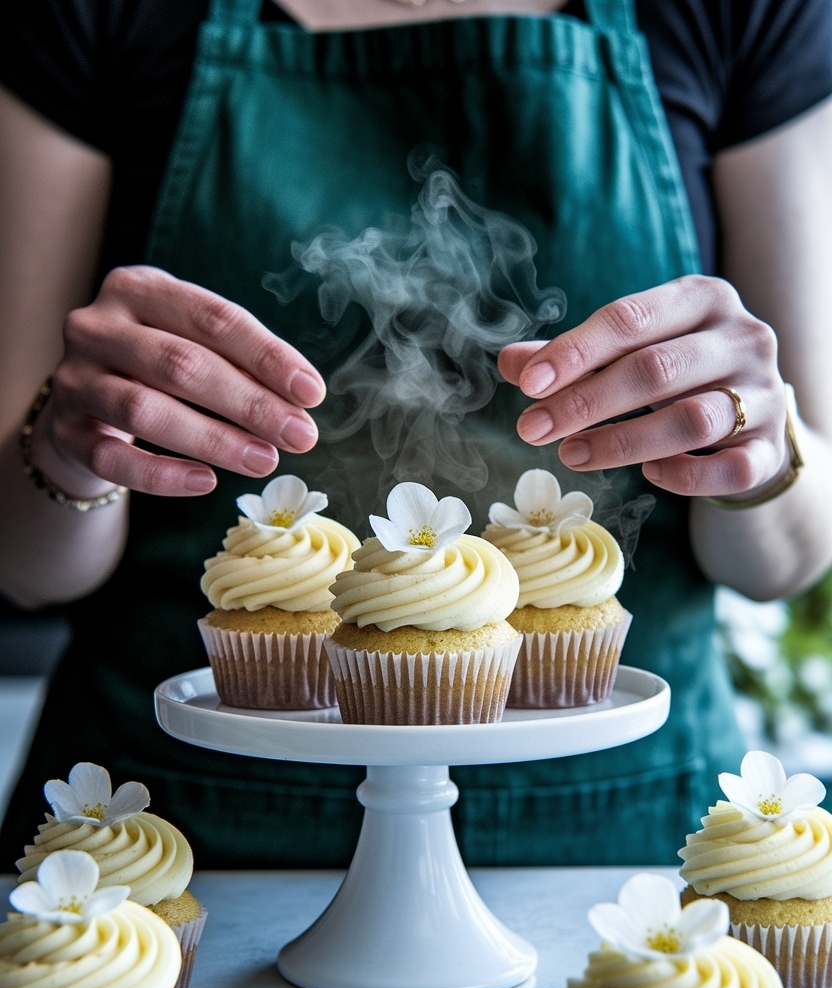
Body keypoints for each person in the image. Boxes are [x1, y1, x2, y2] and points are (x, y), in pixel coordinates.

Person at [0, 0, 831, 868]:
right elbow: (19, 564)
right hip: (165, 833)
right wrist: (68, 442)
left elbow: (787, 560)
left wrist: (756, 444)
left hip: (625, 834)